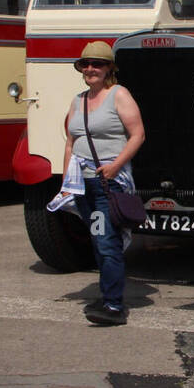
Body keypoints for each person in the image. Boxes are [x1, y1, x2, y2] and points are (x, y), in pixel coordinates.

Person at [51, 41, 145, 326]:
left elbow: (138, 134)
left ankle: (115, 306)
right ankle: (106, 294)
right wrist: (67, 179)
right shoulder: (78, 100)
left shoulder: (119, 95)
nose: (91, 69)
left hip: (108, 184)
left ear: (109, 69)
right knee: (96, 239)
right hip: (84, 185)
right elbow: (71, 141)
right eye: (86, 64)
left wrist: (115, 166)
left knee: (107, 242)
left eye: (98, 64)